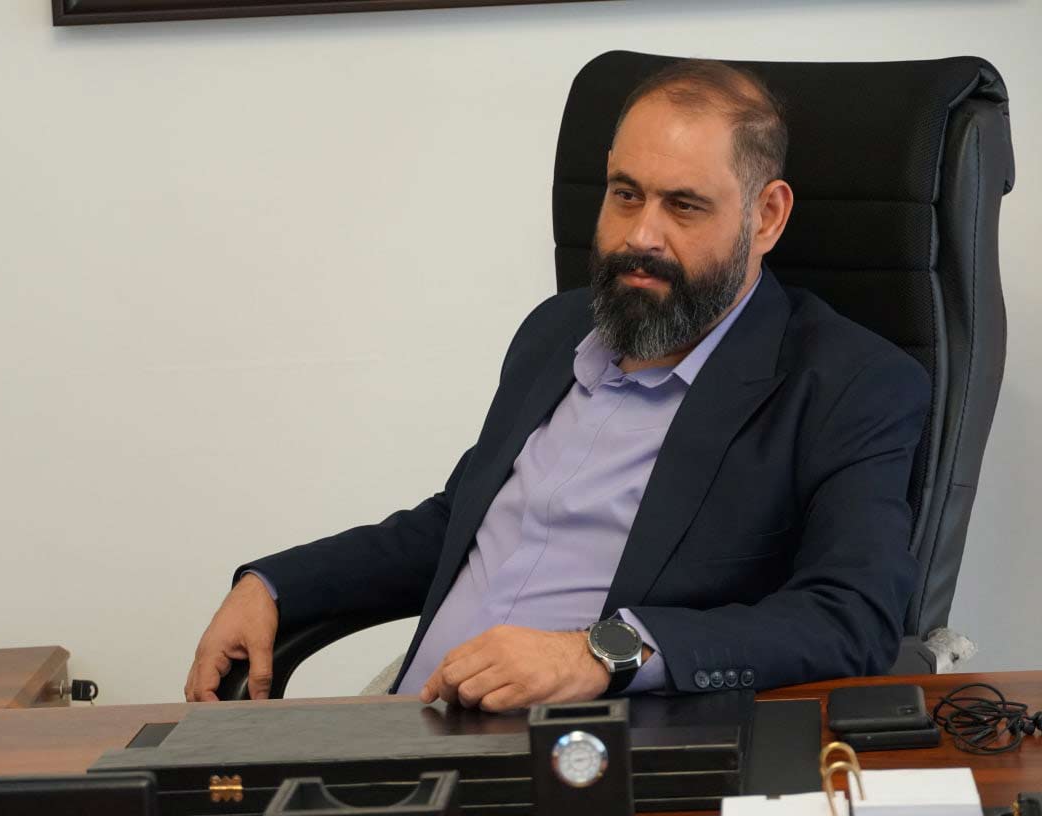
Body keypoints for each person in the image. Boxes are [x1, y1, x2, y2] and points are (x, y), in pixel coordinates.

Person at [184, 59, 930, 712]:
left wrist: (598, 653)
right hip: (412, 723)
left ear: (766, 216)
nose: (641, 235)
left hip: (585, 757)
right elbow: (461, 523)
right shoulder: (556, 331)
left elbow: (851, 616)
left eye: (683, 205)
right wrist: (276, 586)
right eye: (626, 194)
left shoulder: (851, 384)